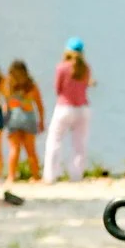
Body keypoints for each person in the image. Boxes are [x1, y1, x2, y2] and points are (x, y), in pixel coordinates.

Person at [45, 39, 92, 183]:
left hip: (65, 107)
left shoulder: (62, 67)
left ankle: (51, 175)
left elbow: (57, 89)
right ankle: (77, 175)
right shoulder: (85, 68)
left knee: (55, 140)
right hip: (83, 108)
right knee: (79, 144)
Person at [4, 59, 45, 181]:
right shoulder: (31, 85)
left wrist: (4, 120)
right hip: (28, 116)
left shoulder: (9, 85)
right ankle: (36, 176)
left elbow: (6, 105)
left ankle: (11, 176)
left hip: (14, 116)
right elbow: (39, 105)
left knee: (14, 148)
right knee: (30, 150)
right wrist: (41, 121)